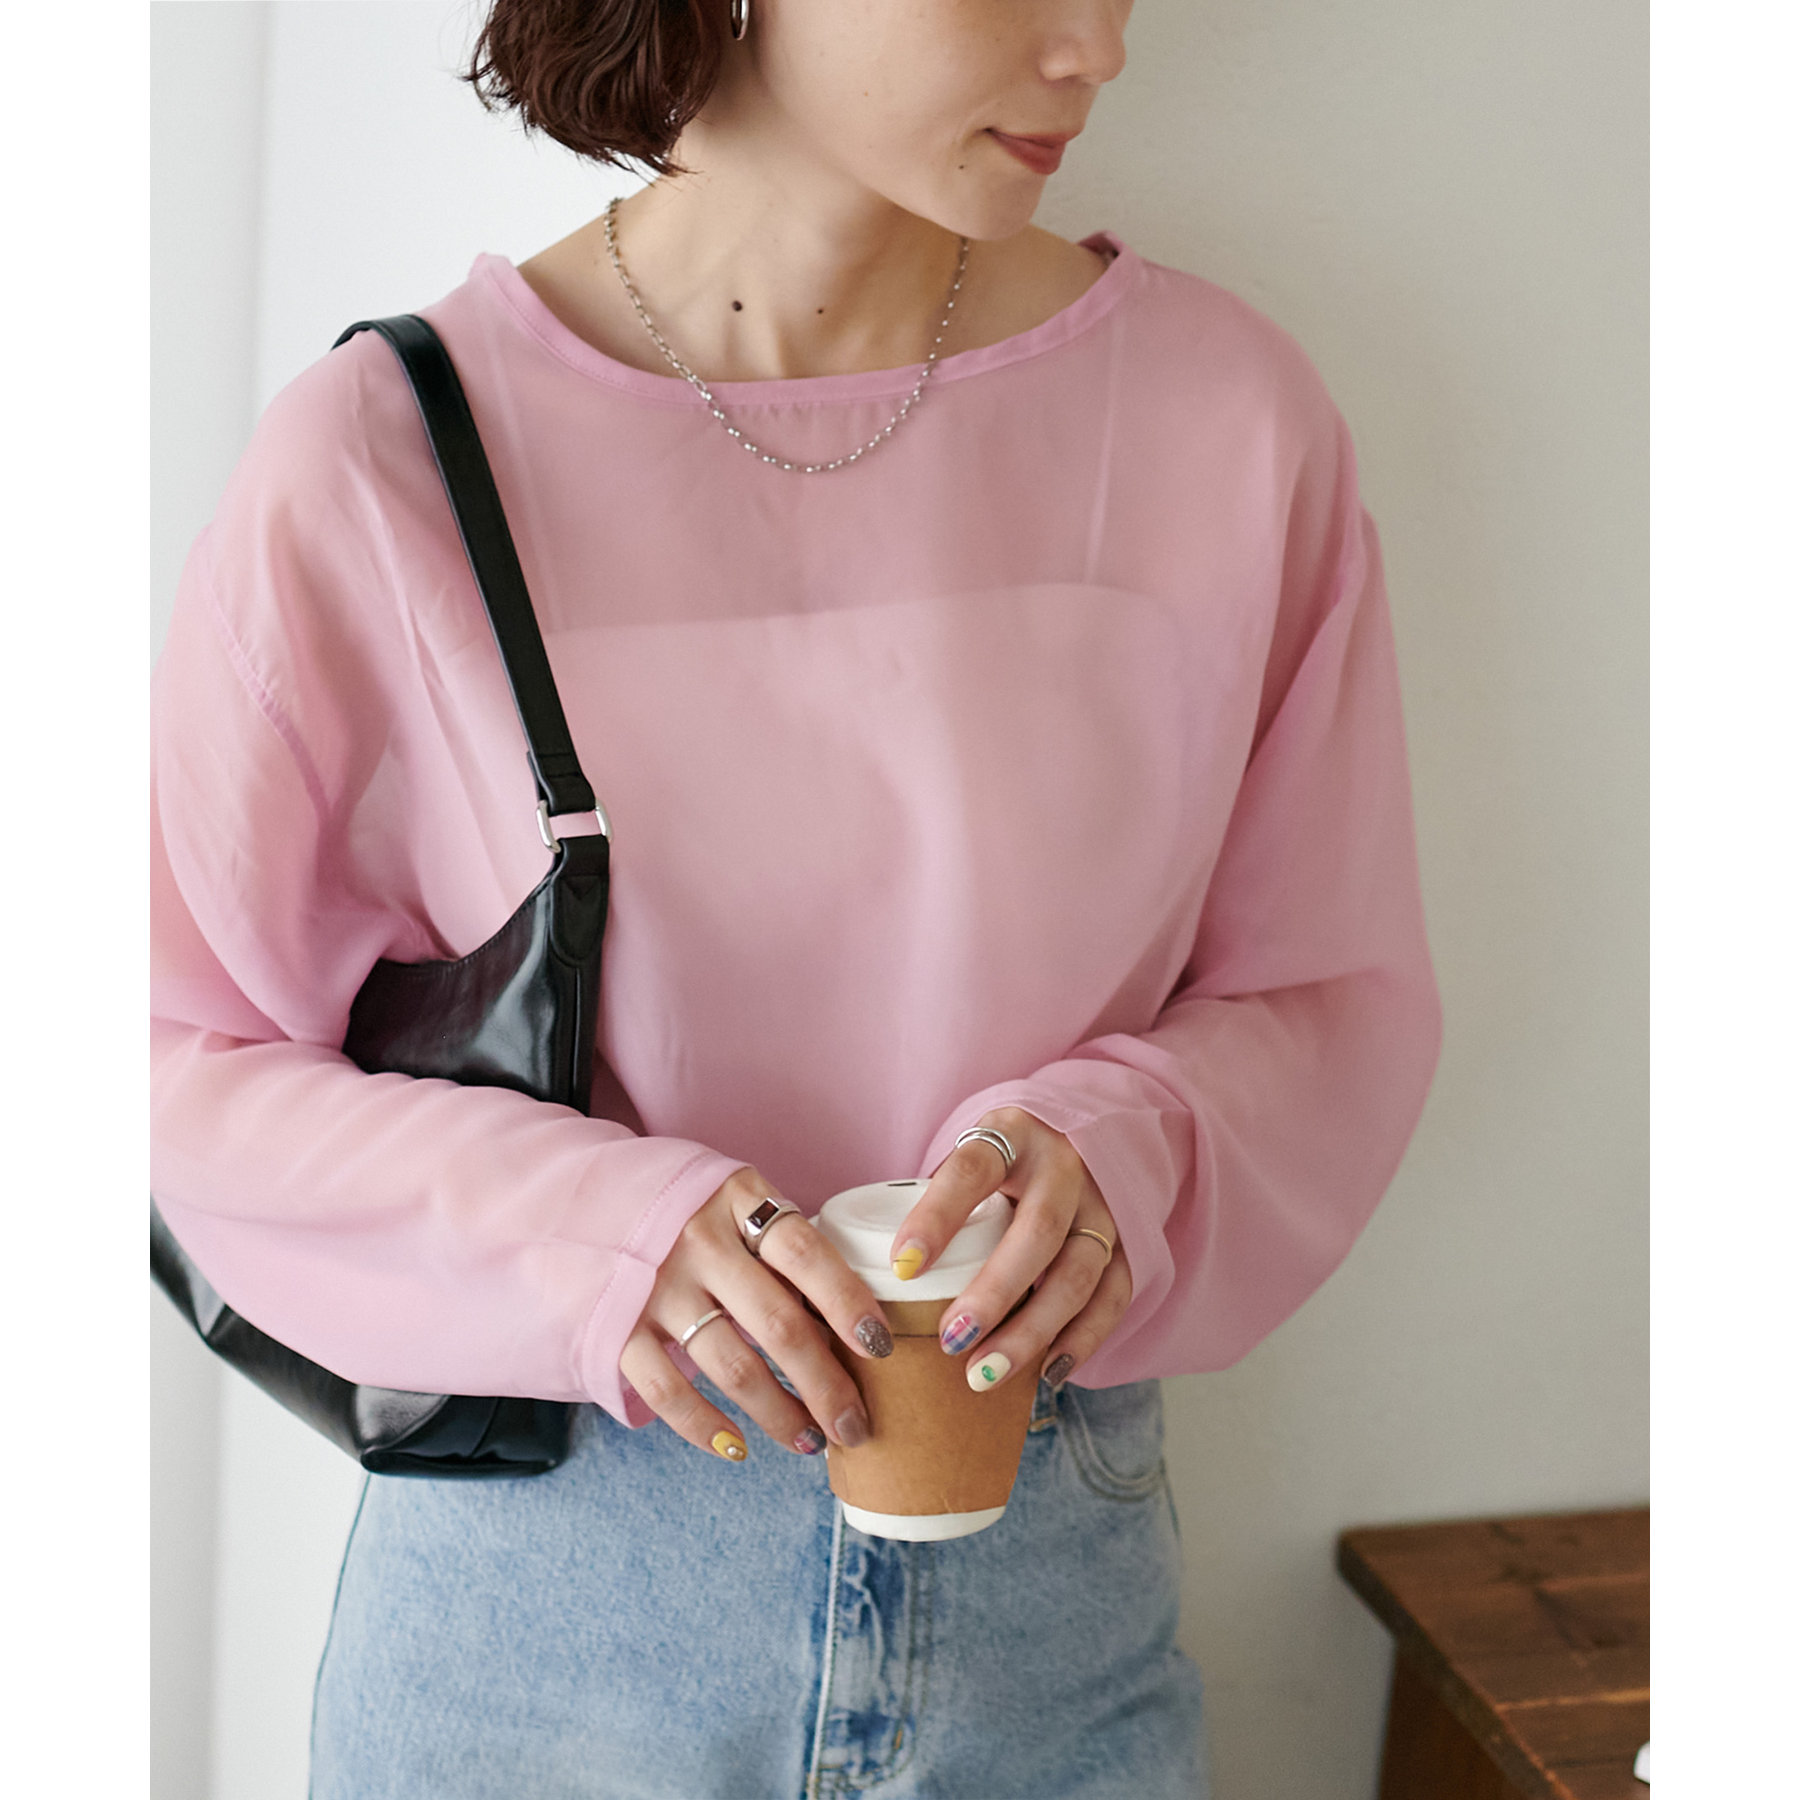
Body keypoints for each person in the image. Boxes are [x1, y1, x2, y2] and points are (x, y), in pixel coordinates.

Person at [149, 0, 1441, 1792]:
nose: (1097, 48)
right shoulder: (384, 462)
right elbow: (177, 1059)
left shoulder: (1228, 421)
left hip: (1048, 1594)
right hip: (546, 1614)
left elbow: (1330, 995)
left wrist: (1125, 1150)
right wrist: (602, 1239)